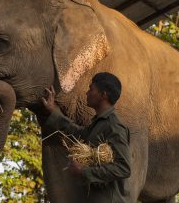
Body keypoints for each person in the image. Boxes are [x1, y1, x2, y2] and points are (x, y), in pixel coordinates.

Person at [41, 72, 131, 203]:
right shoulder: (99, 123)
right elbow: (79, 133)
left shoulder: (114, 126)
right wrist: (53, 111)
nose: (87, 93)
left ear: (103, 95)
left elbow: (123, 168)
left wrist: (83, 172)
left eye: (91, 89)